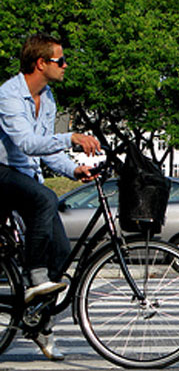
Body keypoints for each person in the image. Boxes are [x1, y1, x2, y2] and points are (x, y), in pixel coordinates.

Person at [0, 32, 101, 360]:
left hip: (27, 178)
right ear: (40, 63)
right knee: (44, 198)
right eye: (60, 60)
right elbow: (28, 144)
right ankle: (34, 277)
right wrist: (71, 137)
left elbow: (45, 151)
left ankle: (39, 324)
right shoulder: (9, 95)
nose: (65, 65)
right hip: (1, 173)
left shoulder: (49, 97)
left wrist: (73, 170)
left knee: (61, 253)